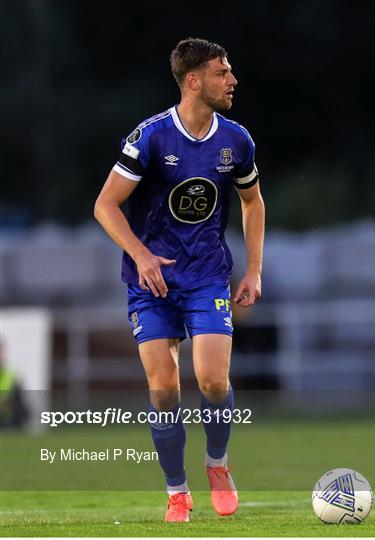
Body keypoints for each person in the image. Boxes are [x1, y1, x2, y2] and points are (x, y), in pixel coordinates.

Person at [94, 37, 265, 522]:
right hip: (152, 282)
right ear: (194, 80)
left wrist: (253, 268)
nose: (232, 80)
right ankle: (177, 492)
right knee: (164, 389)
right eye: (222, 72)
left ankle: (218, 464)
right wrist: (142, 255)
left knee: (213, 379)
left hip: (208, 275)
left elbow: (253, 202)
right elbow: (105, 205)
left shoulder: (237, 140)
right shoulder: (149, 138)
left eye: (229, 71)